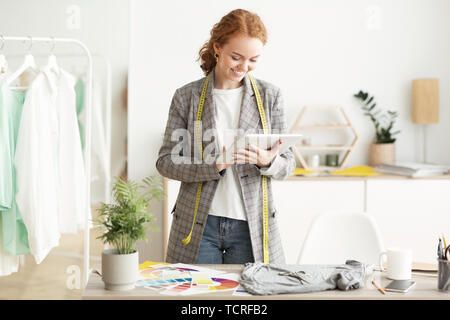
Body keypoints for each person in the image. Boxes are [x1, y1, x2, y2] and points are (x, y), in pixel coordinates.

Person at [156, 9, 296, 264]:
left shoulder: (270, 97)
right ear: (217, 47)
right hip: (199, 224)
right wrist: (213, 165)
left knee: (250, 298)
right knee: (198, 299)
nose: (244, 67)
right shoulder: (187, 98)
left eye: (253, 59)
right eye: (236, 57)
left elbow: (288, 164)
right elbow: (166, 162)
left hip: (251, 226)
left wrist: (267, 161)